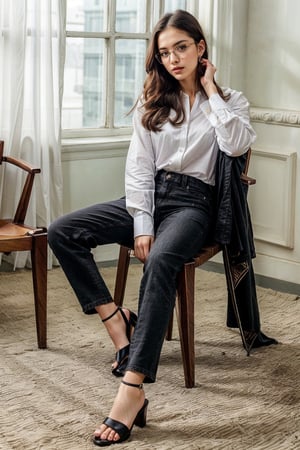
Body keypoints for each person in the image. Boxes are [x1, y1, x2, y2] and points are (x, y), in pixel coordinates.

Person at [49, 9, 263, 446]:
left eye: (181, 48)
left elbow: (237, 144)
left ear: (200, 48)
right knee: (63, 230)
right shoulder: (152, 104)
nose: (173, 59)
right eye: (165, 52)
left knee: (163, 259)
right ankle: (116, 321)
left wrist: (208, 90)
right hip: (148, 198)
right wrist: (142, 222)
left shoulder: (231, 101)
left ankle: (132, 387)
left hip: (194, 205)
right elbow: (140, 170)